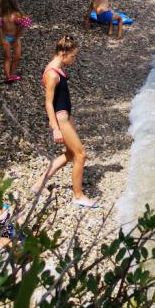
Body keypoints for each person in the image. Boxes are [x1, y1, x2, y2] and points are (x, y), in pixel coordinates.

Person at [34, 36, 96, 207]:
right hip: (61, 120)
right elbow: (48, 102)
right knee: (81, 155)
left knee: (70, 154)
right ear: (62, 53)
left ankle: (39, 184)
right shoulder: (52, 74)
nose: (73, 59)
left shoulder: (56, 68)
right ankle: (78, 196)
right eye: (72, 56)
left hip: (66, 116)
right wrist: (55, 128)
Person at [0, 0, 31, 83]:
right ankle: (8, 76)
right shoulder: (1, 15)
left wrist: (17, 38)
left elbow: (22, 28)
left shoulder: (17, 14)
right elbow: (0, 28)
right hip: (5, 38)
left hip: (15, 37)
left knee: (17, 57)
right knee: (7, 57)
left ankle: (12, 74)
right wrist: (2, 38)